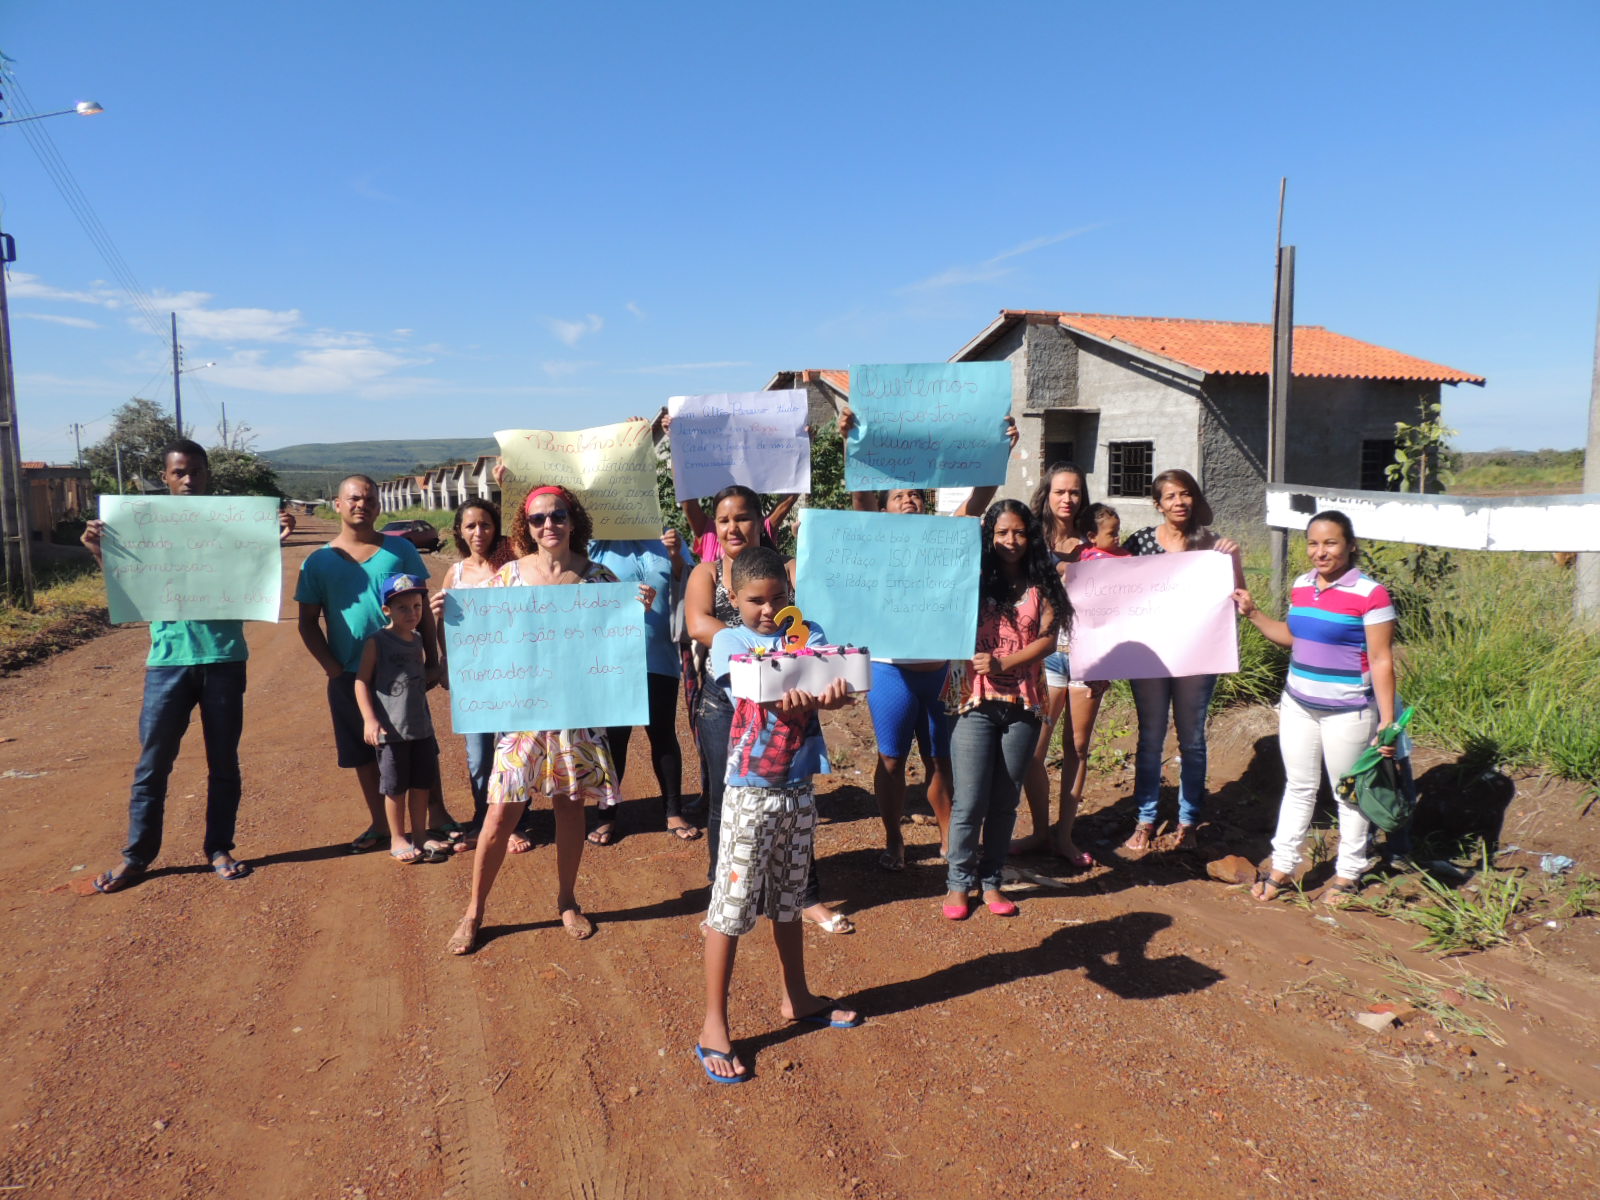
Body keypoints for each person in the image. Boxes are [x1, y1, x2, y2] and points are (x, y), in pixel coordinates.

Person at [447, 485, 653, 954]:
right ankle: (473, 911)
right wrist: (449, 614)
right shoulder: (507, 578)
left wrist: (634, 607)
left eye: (558, 515)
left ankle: (566, 899)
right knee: (499, 814)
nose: (549, 525)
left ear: (573, 519)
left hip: (577, 715)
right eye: (538, 518)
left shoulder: (600, 580)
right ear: (526, 525)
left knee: (569, 807)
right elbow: (479, 633)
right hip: (521, 715)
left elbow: (614, 647)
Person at [696, 547, 860, 1082]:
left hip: (797, 786)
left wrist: (834, 696)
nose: (768, 610)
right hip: (749, 790)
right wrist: (803, 690)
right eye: (755, 601)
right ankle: (712, 1026)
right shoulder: (728, 641)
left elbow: (835, 679)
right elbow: (753, 690)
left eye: (778, 599)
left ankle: (798, 996)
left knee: (790, 896)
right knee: (732, 906)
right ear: (734, 598)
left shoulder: (807, 632)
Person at [836, 403, 1013, 871]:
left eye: (915, 493)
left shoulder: (945, 534)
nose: (909, 500)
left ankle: (947, 838)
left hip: (940, 671)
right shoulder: (875, 539)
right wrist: (854, 444)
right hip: (890, 671)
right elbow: (860, 502)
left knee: (942, 761)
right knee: (892, 762)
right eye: (898, 496)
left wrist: (998, 452)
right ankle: (893, 838)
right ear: (886, 507)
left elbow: (979, 500)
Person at [81, 439, 253, 891]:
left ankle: (219, 847)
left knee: (224, 763)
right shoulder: (145, 527)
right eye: (180, 473)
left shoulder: (233, 526)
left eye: (196, 471)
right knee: (152, 765)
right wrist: (101, 551)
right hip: (167, 661)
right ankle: (137, 856)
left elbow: (255, 571)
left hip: (224, 657)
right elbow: (131, 584)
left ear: (208, 474)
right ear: (166, 477)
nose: (189, 480)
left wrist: (273, 540)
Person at [684, 484, 847, 932]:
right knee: (727, 798)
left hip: (792, 702)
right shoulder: (706, 573)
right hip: (728, 702)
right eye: (723, 520)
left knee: (794, 793)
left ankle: (806, 896)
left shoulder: (792, 569)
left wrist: (806, 677)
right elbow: (700, 625)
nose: (733, 527)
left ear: (762, 521)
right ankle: (726, 892)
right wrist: (766, 654)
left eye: (742, 517)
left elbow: (816, 635)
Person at [1234, 511, 1398, 903]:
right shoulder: (1302, 586)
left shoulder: (1371, 594)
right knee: (1299, 786)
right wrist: (1254, 613)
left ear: (1350, 545)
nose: (1320, 552)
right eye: (1313, 543)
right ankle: (1284, 865)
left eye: (1330, 543)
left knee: (1349, 792)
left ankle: (1348, 873)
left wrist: (1388, 722)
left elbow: (1381, 660)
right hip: (1298, 704)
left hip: (1349, 710)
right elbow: (1293, 638)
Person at [296, 475, 444, 852]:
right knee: (364, 751)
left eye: (370, 499)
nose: (362, 505)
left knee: (419, 742)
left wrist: (432, 657)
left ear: (379, 506)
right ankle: (381, 824)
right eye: (354, 499)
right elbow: (308, 621)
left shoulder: (400, 551)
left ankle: (436, 816)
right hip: (348, 674)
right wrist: (331, 668)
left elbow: (422, 608)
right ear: (338, 504)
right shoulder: (318, 561)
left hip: (403, 673)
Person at [943, 500, 1067, 920]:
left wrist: (1004, 663)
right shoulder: (971, 580)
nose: (1010, 541)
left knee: (1004, 800)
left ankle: (992, 879)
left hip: (1024, 704)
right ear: (988, 536)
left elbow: (1048, 641)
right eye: (1001, 533)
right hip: (974, 700)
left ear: (1030, 536)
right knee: (970, 800)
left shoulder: (1044, 584)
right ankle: (959, 883)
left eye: (1018, 532)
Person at [1120, 468, 1243, 853]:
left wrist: (1235, 560)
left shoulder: (1213, 545)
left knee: (1192, 740)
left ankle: (1188, 821)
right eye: (1170, 496)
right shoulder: (1139, 542)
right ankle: (1145, 819)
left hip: (1196, 656)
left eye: (1185, 494)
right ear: (1157, 505)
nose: (1179, 502)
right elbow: (1117, 592)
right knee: (1151, 739)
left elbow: (1236, 600)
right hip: (1151, 658)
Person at [1014, 462, 1103, 867]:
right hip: (1046, 655)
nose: (1068, 499)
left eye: (1075, 492)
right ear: (1047, 495)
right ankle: (1040, 831)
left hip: (1090, 656)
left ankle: (1064, 837)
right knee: (1034, 751)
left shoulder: (1097, 542)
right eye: (1061, 492)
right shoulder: (1030, 541)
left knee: (1078, 749)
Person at [590, 524, 697, 843]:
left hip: (658, 653)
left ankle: (673, 810)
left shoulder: (666, 538)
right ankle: (606, 815)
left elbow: (688, 583)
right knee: (615, 738)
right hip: (612, 658)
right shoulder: (595, 542)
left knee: (663, 732)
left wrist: (677, 555)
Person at [431, 497, 523, 853]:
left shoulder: (512, 568)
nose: (478, 532)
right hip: (472, 679)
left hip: (512, 674)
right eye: (471, 525)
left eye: (485, 524)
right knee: (478, 755)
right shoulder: (455, 573)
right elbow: (444, 625)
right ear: (459, 531)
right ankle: (482, 820)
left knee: (511, 750)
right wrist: (445, 661)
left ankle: (514, 824)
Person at [355, 574, 448, 864]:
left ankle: (420, 835)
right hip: (391, 732)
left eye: (417, 607)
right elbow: (361, 682)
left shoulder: (418, 639)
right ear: (387, 610)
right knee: (395, 788)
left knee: (422, 785)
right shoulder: (377, 642)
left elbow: (421, 679)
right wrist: (370, 720)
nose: (412, 613)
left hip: (421, 728)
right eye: (403, 608)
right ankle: (397, 837)